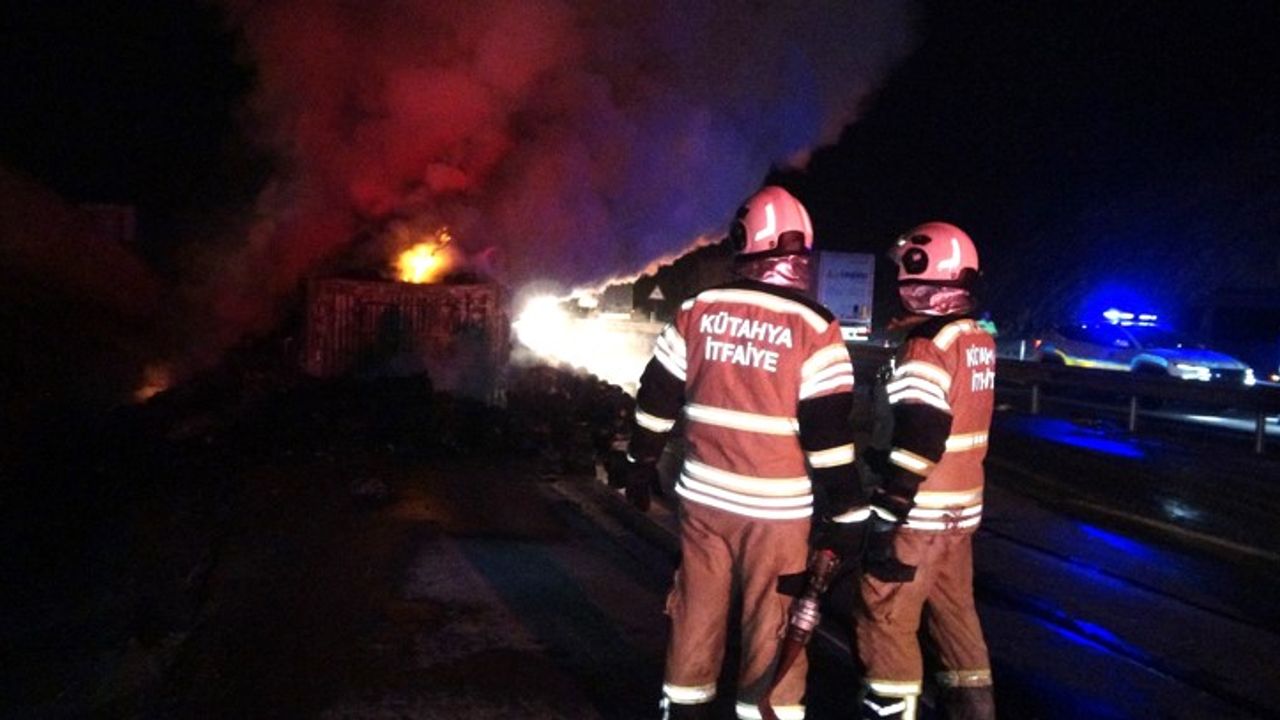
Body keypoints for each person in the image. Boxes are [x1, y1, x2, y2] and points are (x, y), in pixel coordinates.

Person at [620, 185, 870, 720]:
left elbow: (655, 399)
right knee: (771, 629)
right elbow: (828, 435)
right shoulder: (816, 327)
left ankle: (683, 708)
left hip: (704, 505)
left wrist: (639, 464)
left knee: (694, 617)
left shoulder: (697, 310)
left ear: (743, 241)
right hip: (777, 516)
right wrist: (849, 513)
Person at [856, 221, 996, 720]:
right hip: (959, 513)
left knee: (887, 616)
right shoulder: (975, 337)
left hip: (918, 516)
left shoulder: (925, 346)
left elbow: (923, 430)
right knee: (956, 620)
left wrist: (891, 505)